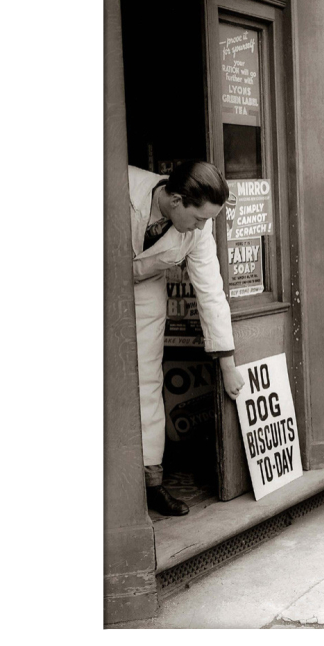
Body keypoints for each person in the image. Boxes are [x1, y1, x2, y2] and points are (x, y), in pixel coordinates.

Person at [129, 161, 245, 517]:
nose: (202, 227)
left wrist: (228, 364)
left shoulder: (197, 232)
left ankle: (151, 483)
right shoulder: (119, 182)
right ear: (176, 200)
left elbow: (211, 292)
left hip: (144, 293)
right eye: (199, 219)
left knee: (147, 380)